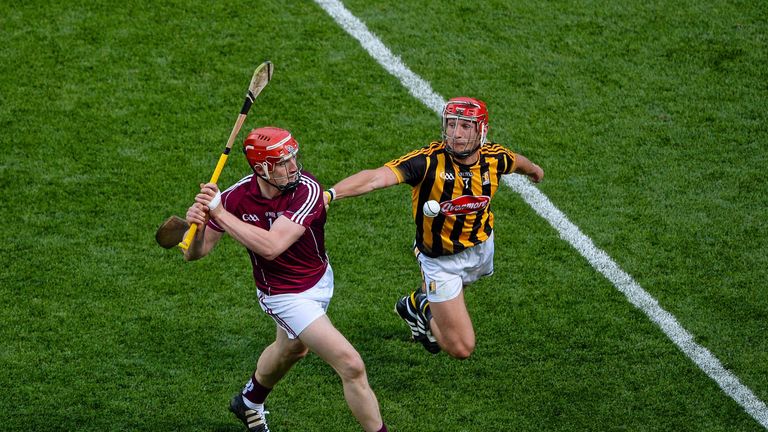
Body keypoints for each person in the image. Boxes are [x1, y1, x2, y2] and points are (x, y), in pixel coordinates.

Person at [184, 126, 388, 432]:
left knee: (292, 348)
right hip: (283, 294)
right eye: (282, 162)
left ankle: (249, 401)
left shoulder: (308, 190)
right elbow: (195, 254)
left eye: (293, 157)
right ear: (260, 168)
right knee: (351, 364)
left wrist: (221, 214)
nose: (293, 166)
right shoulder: (235, 198)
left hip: (318, 278)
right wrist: (200, 225)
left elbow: (272, 245)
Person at [323, 97, 544, 360]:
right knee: (460, 348)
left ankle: (423, 302)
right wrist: (330, 194)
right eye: (451, 125)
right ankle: (420, 305)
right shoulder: (427, 162)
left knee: (458, 297)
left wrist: (534, 170)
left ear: (481, 130)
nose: (456, 134)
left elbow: (516, 161)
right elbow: (375, 178)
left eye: (465, 126)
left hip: (482, 246)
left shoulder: (494, 158)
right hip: (441, 262)